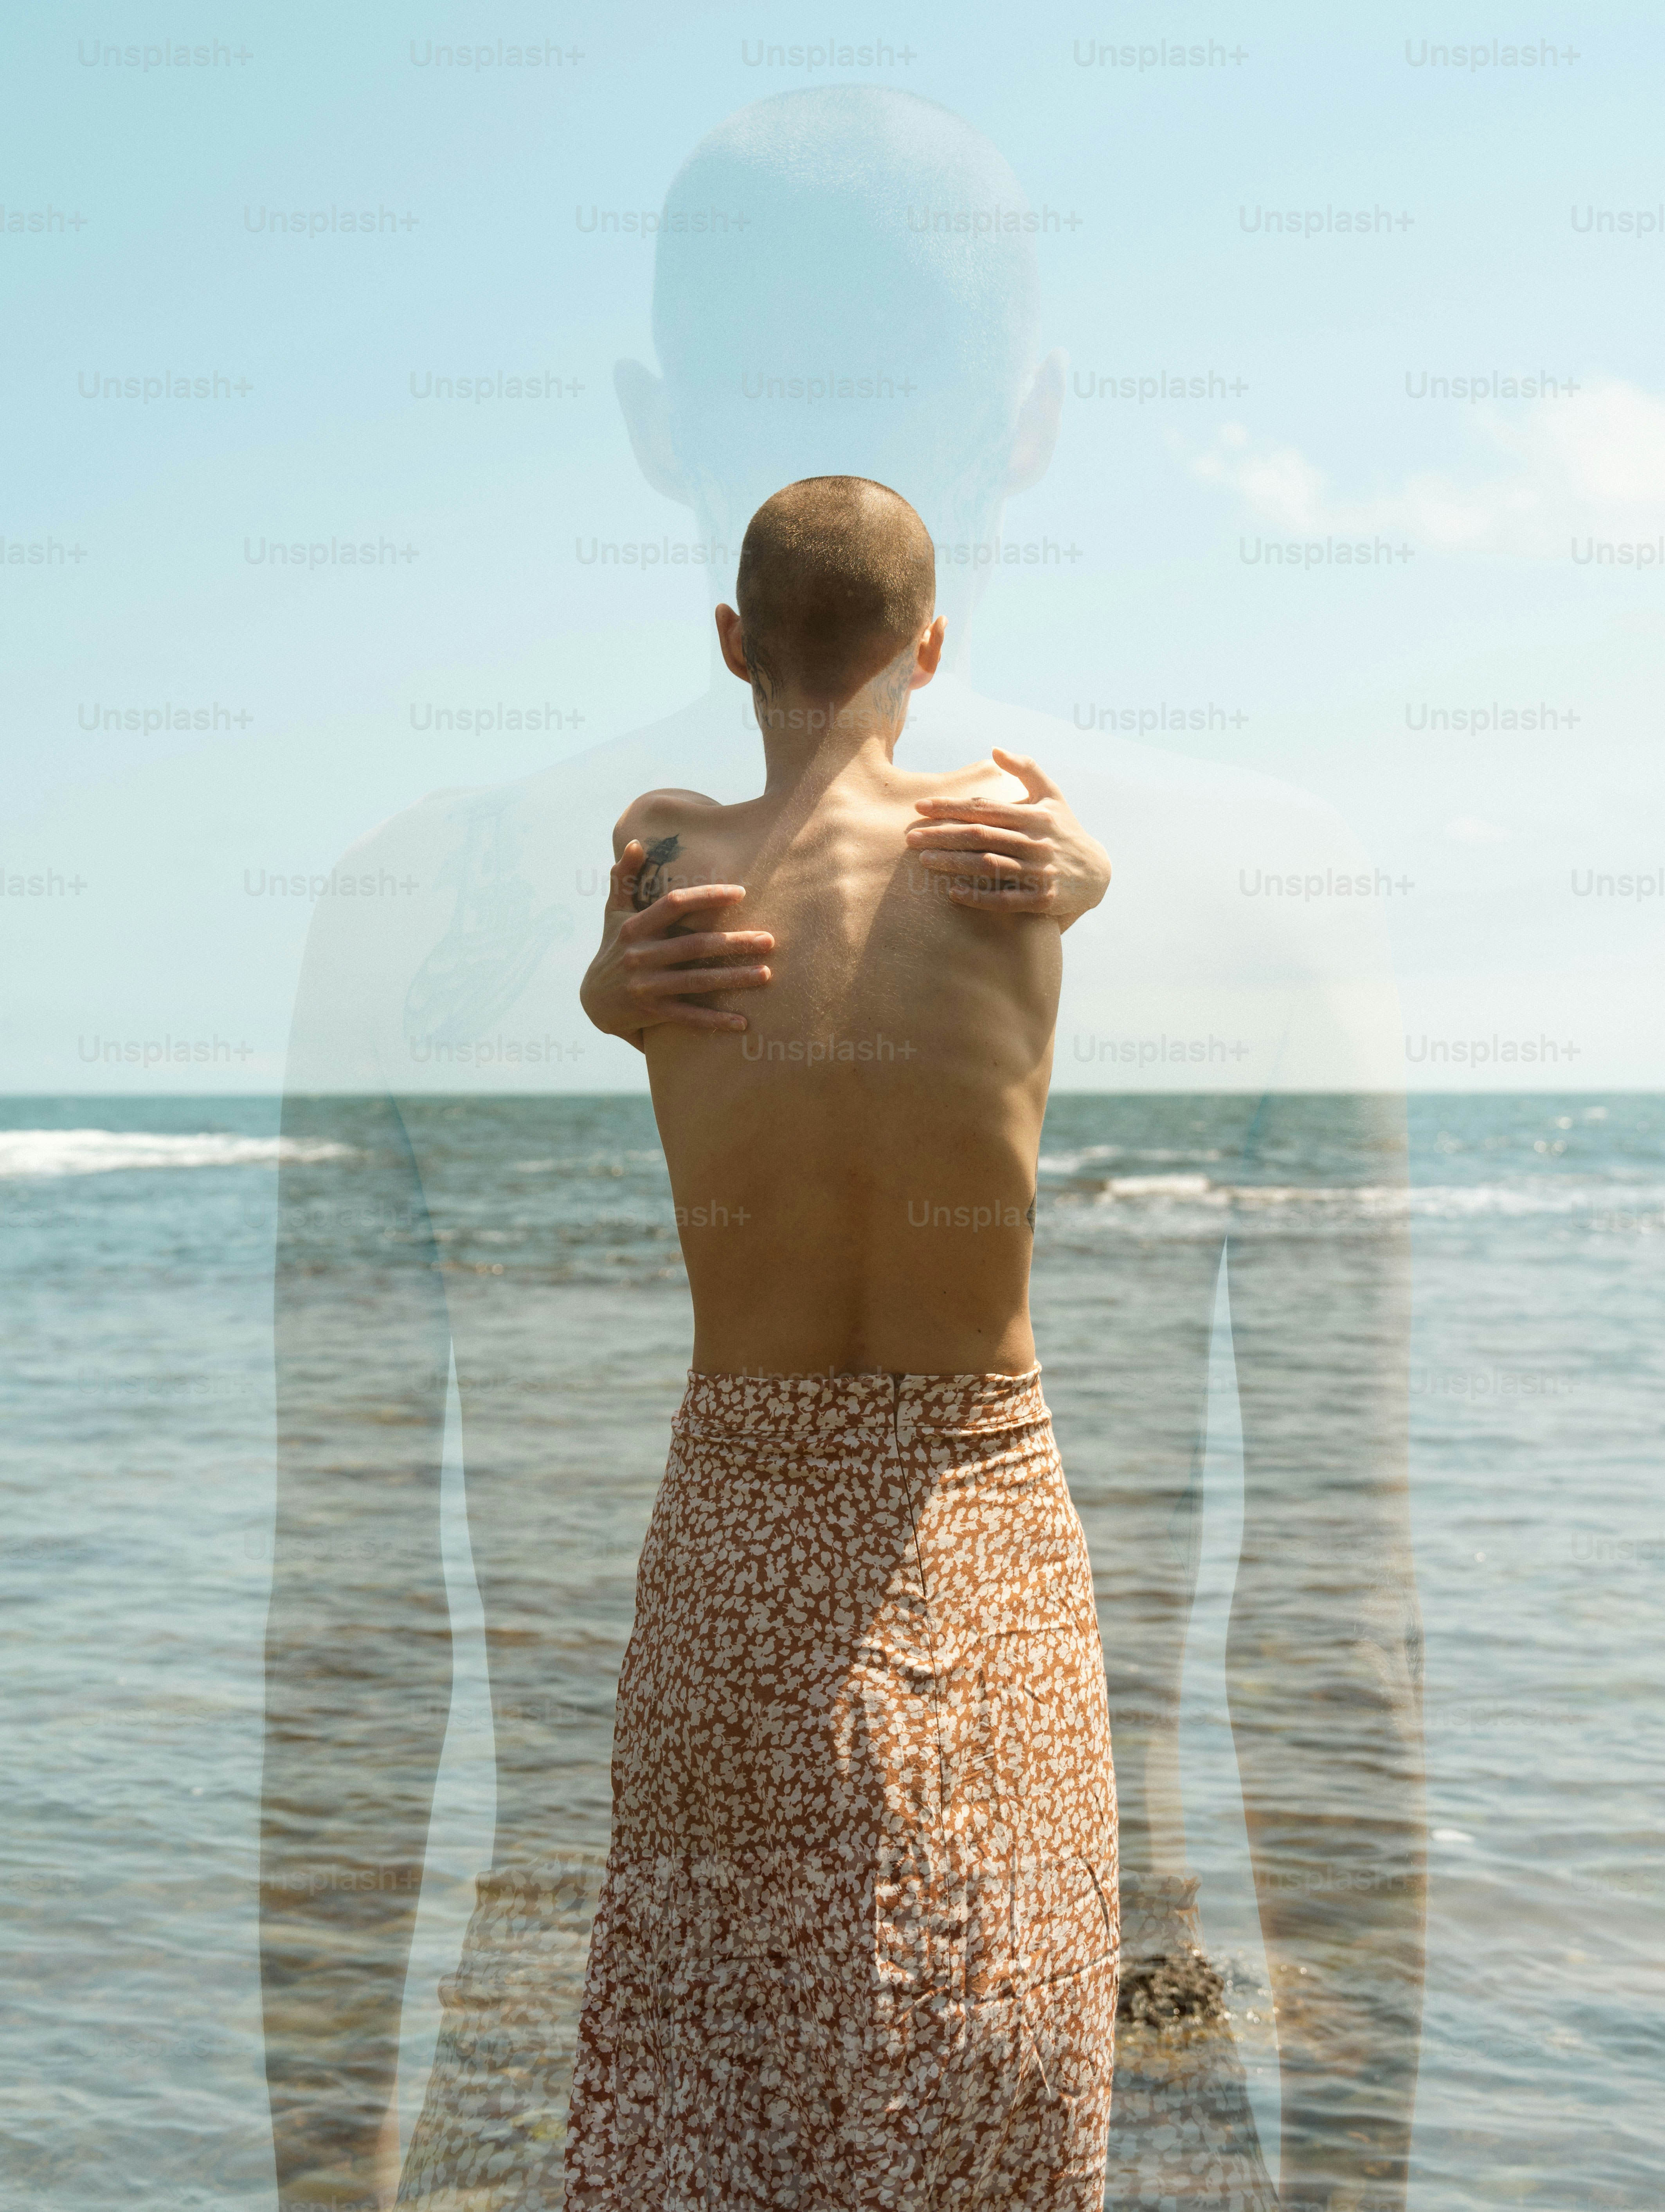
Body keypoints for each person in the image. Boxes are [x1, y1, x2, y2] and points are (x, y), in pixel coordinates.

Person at [266, 87, 1423, 2212]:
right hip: (1076, 1935)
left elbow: (348, 1660)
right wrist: (1359, 2177)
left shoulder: (461, 897)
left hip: (592, 1957)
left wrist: (325, 2175)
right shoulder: (1215, 882)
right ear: (1038, 416)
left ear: (652, 427)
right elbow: (1333, 1646)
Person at [563, 472, 1118, 2207]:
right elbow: (1072, 870)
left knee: (705, 2012)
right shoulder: (1012, 840)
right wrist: (1091, 871)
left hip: (740, 1486)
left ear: (731, 642)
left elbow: (617, 993)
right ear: (929, 649)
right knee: (998, 1994)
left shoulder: (664, 847)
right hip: (982, 1482)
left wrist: (604, 985)